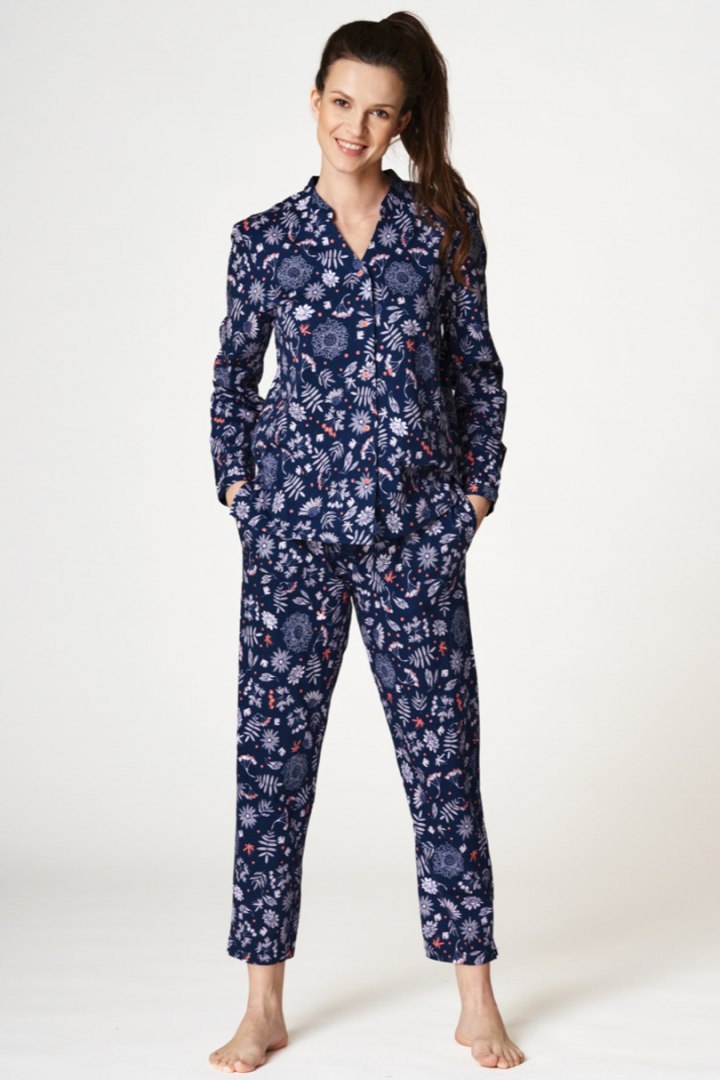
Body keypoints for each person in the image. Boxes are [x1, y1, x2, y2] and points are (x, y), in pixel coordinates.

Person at [208, 12, 525, 1072]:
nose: (356, 125)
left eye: (379, 111)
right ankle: (262, 1007)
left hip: (412, 537)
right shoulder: (263, 240)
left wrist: (471, 499)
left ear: (403, 121)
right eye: (341, 102)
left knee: (445, 764)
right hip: (290, 542)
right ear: (315, 101)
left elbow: (477, 372)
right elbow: (231, 379)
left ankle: (476, 1000)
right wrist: (242, 490)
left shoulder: (441, 226)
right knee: (273, 767)